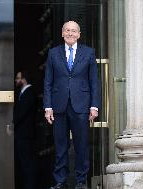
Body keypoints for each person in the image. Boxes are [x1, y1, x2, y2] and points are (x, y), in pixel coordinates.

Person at [43, 21, 100, 189]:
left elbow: (94, 82)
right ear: (62, 33)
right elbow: (48, 82)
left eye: (73, 31)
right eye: (67, 30)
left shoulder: (89, 53)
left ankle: (81, 181)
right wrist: (48, 107)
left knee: (81, 144)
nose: (70, 33)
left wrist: (94, 106)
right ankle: (61, 181)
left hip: (81, 105)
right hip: (59, 105)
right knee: (60, 145)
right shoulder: (53, 53)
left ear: (79, 34)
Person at [7, 71, 37, 189]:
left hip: (25, 134)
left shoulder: (29, 93)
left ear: (24, 80)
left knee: (27, 163)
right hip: (22, 134)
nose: (16, 80)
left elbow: (21, 113)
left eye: (18, 78)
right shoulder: (23, 92)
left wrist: (12, 125)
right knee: (24, 162)